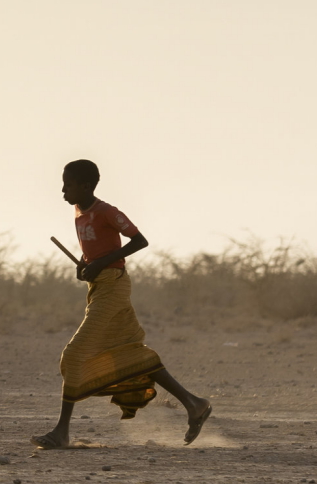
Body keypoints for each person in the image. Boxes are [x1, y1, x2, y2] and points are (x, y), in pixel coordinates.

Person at [32, 159, 210, 449]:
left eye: (68, 184)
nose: (63, 190)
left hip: (113, 287)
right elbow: (95, 255)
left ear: (86, 186)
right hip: (99, 287)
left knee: (74, 355)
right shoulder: (78, 214)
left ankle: (61, 432)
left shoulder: (107, 212)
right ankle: (195, 404)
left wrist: (101, 262)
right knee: (132, 353)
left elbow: (139, 241)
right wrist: (86, 267)